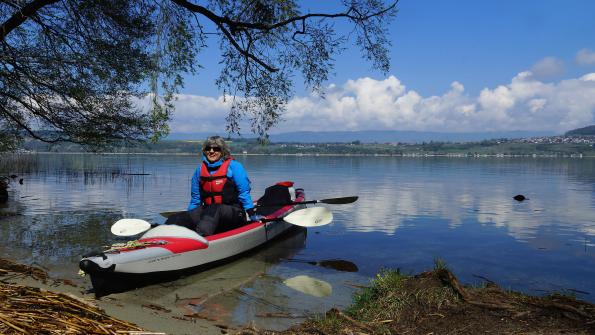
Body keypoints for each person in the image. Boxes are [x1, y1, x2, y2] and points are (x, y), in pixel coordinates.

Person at [166, 136, 263, 236]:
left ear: (222, 151)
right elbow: (195, 199)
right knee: (178, 218)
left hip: (234, 213)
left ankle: (201, 237)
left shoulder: (234, 167)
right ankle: (164, 236)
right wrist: (190, 217)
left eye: (216, 148)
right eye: (208, 148)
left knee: (215, 209)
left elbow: (244, 193)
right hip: (209, 212)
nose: (211, 151)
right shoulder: (199, 171)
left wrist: (251, 214)